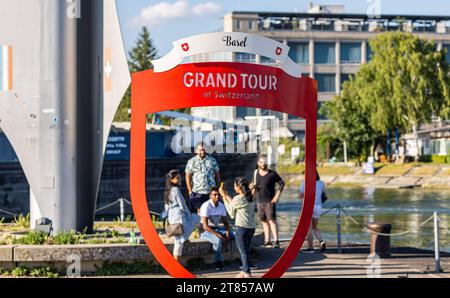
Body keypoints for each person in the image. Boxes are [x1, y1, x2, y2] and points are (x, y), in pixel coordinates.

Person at [220, 177, 256, 278]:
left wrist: (223, 196)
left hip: (241, 227)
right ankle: (244, 271)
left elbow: (231, 212)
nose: (234, 187)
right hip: (251, 227)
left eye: (235, 185)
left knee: (243, 252)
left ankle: (247, 273)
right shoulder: (250, 197)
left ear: (239, 187)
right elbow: (235, 203)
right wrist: (226, 195)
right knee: (246, 250)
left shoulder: (238, 198)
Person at [251, 155, 284, 248]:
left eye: (265, 162)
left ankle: (276, 241)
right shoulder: (255, 172)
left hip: (270, 201)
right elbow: (254, 184)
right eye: (261, 162)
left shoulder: (272, 174)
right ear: (258, 163)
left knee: (271, 220)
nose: (263, 164)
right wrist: (252, 188)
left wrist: (277, 195)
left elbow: (282, 183)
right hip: (259, 201)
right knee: (263, 221)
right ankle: (267, 241)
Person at [163, 170, 194, 262]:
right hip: (179, 216)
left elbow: (166, 207)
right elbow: (182, 204)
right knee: (196, 219)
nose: (180, 179)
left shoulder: (167, 191)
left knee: (178, 241)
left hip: (172, 217)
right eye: (177, 178)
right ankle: (177, 266)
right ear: (171, 180)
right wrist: (189, 214)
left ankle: (177, 266)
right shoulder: (176, 190)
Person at [199, 187, 231, 271]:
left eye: (218, 195)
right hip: (205, 231)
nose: (217, 196)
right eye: (214, 195)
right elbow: (205, 226)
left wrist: (227, 232)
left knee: (236, 235)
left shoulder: (221, 205)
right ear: (210, 196)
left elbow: (226, 222)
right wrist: (218, 235)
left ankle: (243, 261)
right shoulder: (206, 206)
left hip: (217, 229)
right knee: (218, 240)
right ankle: (218, 262)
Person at [186, 142, 221, 214]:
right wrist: (190, 190)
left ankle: (211, 225)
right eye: (200, 150)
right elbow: (188, 176)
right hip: (198, 191)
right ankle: (201, 224)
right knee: (200, 211)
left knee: (212, 210)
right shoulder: (191, 161)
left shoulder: (212, 160)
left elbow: (217, 175)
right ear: (196, 151)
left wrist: (218, 188)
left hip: (210, 190)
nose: (203, 152)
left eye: (204, 150)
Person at [299, 171, 327, 253]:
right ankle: (321, 241)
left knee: (309, 228)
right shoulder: (321, 183)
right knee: (315, 227)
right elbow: (324, 193)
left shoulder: (304, 183)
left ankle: (310, 248)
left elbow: (300, 195)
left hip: (308, 206)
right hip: (318, 206)